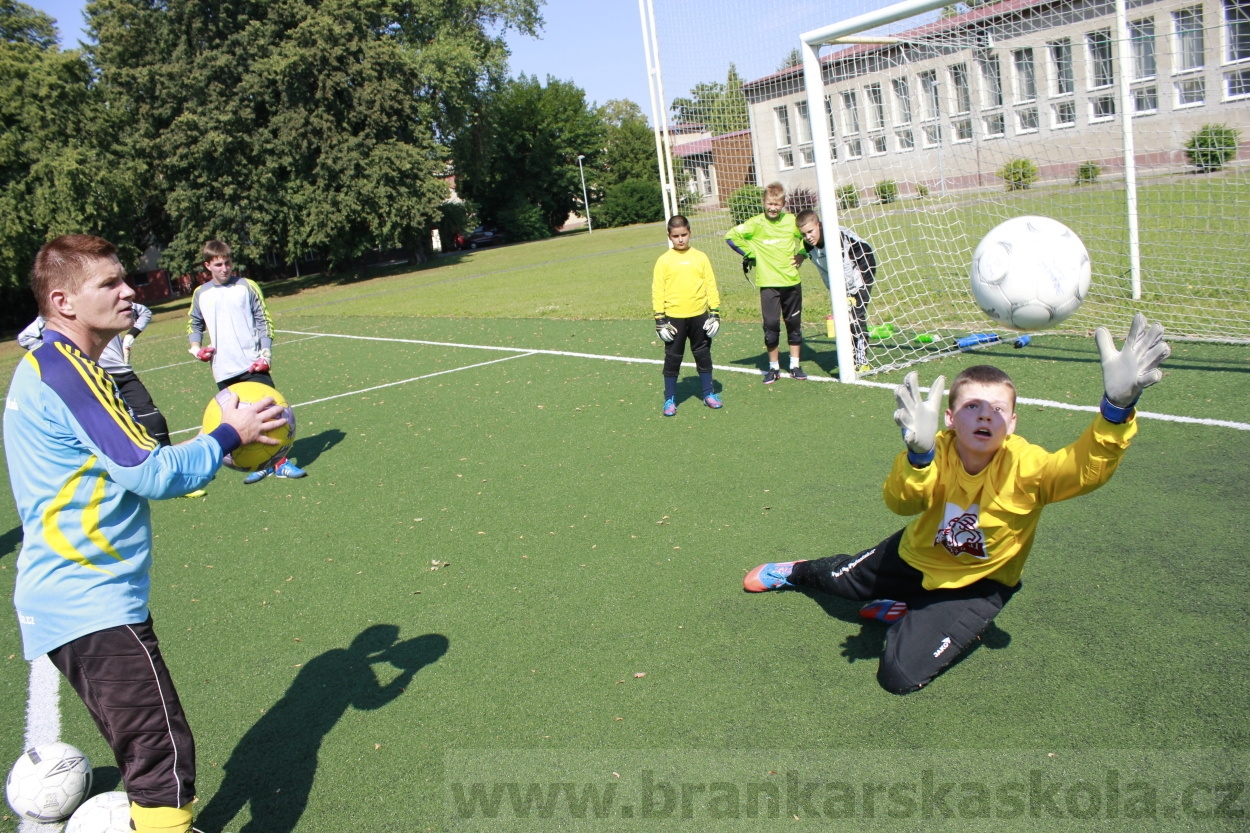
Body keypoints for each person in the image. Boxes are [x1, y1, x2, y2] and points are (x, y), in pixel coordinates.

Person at [4, 234, 287, 833]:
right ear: (64, 301)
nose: (129, 290)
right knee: (162, 759)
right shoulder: (66, 371)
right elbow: (148, 472)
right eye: (108, 284)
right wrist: (227, 436)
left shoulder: (60, 365)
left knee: (152, 752)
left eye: (123, 278)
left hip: (84, 597)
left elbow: (128, 470)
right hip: (87, 600)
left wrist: (219, 449)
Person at [743, 313, 1170, 694]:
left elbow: (1083, 471)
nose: (985, 415)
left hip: (979, 583)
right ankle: (794, 571)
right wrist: (919, 456)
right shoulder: (934, 447)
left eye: (997, 409)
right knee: (837, 579)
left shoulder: (1028, 465)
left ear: (1013, 421)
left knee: (898, 677)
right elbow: (900, 502)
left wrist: (1117, 408)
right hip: (914, 555)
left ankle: (913, 613)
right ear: (949, 417)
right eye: (972, 407)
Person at [16, 303, 208, 499]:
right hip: (94, 376)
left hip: (122, 371)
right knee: (115, 432)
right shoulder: (63, 316)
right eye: (109, 283)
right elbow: (25, 337)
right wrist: (62, 354)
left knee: (155, 420)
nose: (124, 292)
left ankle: (174, 475)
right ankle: (135, 478)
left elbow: (143, 312)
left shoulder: (113, 304)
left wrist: (130, 337)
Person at [188, 239, 306, 483]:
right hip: (224, 370)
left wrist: (266, 355)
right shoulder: (201, 294)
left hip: (253, 364)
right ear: (207, 265)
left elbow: (264, 321)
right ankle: (258, 464)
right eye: (218, 264)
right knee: (240, 421)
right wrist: (196, 348)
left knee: (274, 416)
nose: (224, 268)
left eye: (228, 262)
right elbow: (194, 324)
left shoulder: (246, 286)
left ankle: (281, 464)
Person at [725, 182, 807, 383]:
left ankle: (795, 366)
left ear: (783, 204)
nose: (773, 208)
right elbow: (731, 237)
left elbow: (807, 235)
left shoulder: (791, 221)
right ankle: (773, 368)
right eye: (770, 203)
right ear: (764, 202)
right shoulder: (755, 224)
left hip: (791, 282)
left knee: (793, 324)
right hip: (769, 284)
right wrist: (751, 254)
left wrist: (802, 255)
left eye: (777, 204)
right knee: (771, 326)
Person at [653, 215, 723, 416]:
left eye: (684, 234)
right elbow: (658, 290)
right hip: (674, 319)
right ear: (669, 236)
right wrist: (659, 319)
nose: (680, 239)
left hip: (699, 316)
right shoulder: (663, 261)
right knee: (673, 358)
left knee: (703, 355)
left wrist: (715, 313)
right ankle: (670, 399)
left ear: (689, 232)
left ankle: (708, 393)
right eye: (676, 236)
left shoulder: (700, 257)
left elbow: (711, 285)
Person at [794, 209, 877, 371]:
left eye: (811, 231)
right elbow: (824, 270)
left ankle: (862, 360)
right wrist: (836, 292)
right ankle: (852, 353)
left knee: (856, 312)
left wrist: (850, 293)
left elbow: (845, 265)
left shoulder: (834, 237)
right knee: (845, 315)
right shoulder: (808, 245)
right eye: (804, 234)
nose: (808, 237)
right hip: (844, 274)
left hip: (861, 265)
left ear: (819, 225)